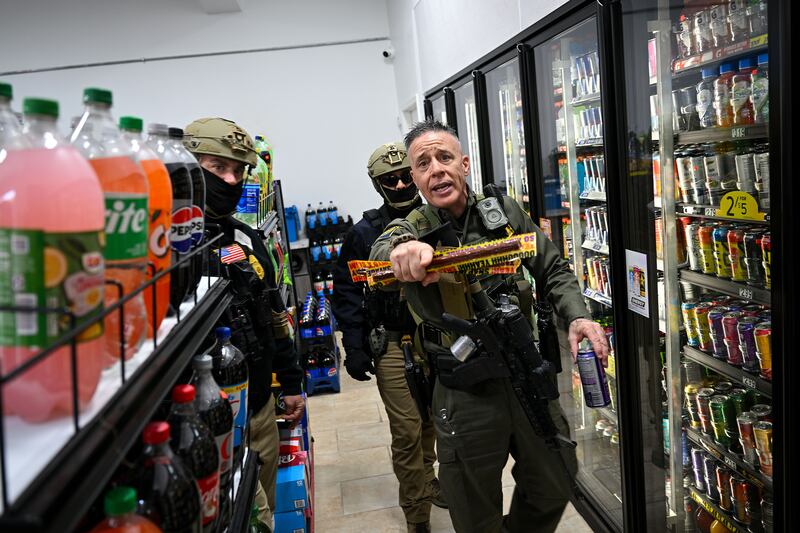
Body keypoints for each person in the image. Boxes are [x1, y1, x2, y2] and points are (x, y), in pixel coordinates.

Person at [369, 120, 610, 533]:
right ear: (415, 179)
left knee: (557, 477)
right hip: (464, 388)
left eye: (444, 157)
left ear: (463, 164)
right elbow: (384, 249)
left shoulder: (504, 213)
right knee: (472, 506)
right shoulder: (411, 228)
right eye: (423, 163)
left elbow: (551, 266)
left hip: (524, 372)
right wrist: (403, 251)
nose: (436, 169)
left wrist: (578, 314)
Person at [183, 117, 306, 528]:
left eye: (239, 171)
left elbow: (274, 317)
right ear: (188, 169)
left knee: (264, 509)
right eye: (217, 168)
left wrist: (290, 384)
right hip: (206, 425)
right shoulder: (167, 248)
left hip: (259, 409)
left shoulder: (247, 240)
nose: (231, 180)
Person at [332, 142, 445, 533]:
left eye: (404, 177)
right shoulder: (363, 233)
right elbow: (345, 292)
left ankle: (429, 480)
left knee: (435, 419)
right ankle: (417, 514)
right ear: (377, 184)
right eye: (389, 180)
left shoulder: (439, 217)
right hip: (394, 342)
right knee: (408, 430)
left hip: (440, 336)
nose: (399, 184)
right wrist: (355, 347)